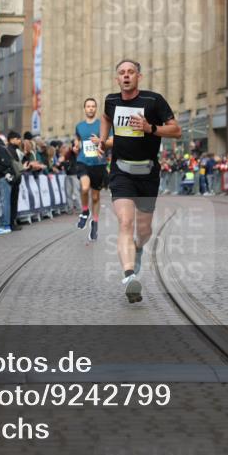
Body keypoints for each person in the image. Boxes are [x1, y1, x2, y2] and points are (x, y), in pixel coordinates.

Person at [100, 59, 181, 303]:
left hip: (148, 173)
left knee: (144, 231)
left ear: (139, 77)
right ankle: (129, 277)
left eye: (131, 72)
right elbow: (105, 117)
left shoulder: (153, 100)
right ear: (117, 78)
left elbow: (176, 130)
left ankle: (137, 248)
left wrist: (150, 128)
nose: (126, 76)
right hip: (121, 172)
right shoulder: (111, 101)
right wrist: (103, 140)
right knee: (125, 222)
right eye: (122, 73)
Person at [73, 98, 108, 240]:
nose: (91, 108)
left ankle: (95, 222)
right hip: (83, 161)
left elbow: (111, 141)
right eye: (88, 106)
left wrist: (100, 141)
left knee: (95, 197)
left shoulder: (102, 125)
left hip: (98, 163)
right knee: (85, 187)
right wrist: (76, 146)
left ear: (96, 108)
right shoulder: (79, 126)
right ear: (84, 109)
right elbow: (77, 139)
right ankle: (85, 210)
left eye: (93, 106)